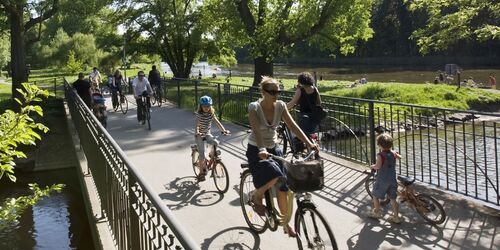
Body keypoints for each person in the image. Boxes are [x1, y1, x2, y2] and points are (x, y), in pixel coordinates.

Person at [246, 76, 319, 238]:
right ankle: (257, 196)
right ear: (263, 92)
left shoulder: (281, 106)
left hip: (274, 147)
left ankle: (286, 224)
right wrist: (262, 148)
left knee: (283, 186)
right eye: (273, 91)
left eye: (278, 91)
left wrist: (308, 143)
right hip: (256, 148)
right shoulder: (254, 108)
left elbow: (293, 125)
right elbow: (257, 131)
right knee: (276, 174)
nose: (276, 94)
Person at [194, 95, 230, 181]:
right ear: (201, 106)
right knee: (202, 155)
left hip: (207, 134)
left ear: (211, 106)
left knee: (216, 142)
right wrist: (197, 132)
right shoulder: (199, 115)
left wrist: (224, 130)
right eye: (204, 106)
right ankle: (201, 173)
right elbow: (196, 125)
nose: (206, 108)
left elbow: (217, 123)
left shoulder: (211, 114)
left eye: (208, 106)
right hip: (199, 135)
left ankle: (211, 154)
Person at [368, 133, 402, 224]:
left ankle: (377, 212)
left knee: (375, 195)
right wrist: (395, 153)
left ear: (379, 145)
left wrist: (373, 166)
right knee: (393, 198)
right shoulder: (393, 153)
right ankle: (396, 217)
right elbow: (400, 157)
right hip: (392, 179)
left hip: (382, 180)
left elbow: (378, 166)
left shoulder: (380, 155)